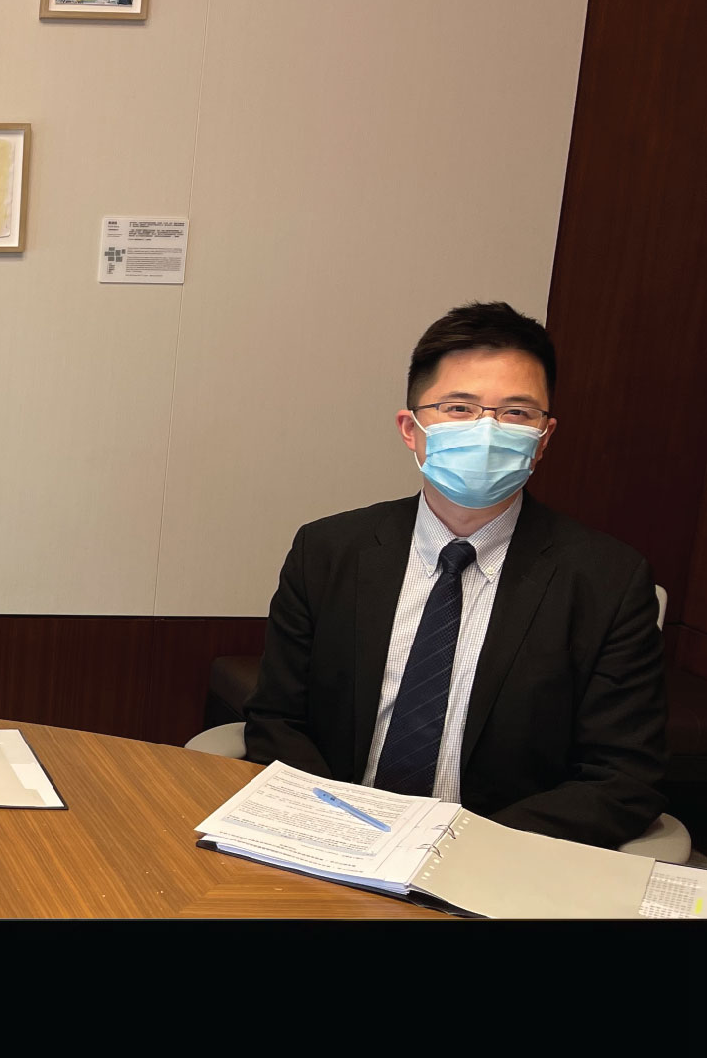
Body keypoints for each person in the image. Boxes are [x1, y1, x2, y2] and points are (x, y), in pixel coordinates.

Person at [239, 301, 666, 846]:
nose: (486, 431)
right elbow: (277, 722)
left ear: (544, 439)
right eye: (459, 408)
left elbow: (624, 777)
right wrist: (335, 831)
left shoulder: (608, 581)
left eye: (516, 413)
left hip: (497, 863)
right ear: (410, 429)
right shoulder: (327, 551)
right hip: (333, 845)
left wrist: (462, 848)